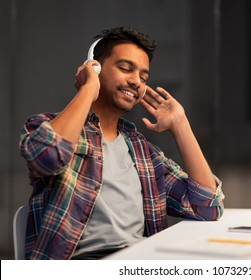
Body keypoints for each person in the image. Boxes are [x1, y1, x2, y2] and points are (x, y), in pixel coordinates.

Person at [19, 27, 224, 260]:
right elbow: (48, 155)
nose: (136, 81)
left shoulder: (143, 152)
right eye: (126, 68)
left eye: (144, 77)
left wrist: (180, 124)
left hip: (140, 262)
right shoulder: (46, 125)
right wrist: (88, 89)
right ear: (94, 68)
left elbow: (206, 208)